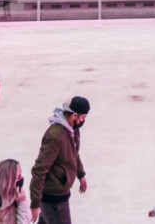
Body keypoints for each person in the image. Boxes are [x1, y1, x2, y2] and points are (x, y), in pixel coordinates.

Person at [30, 96, 90, 224]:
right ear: (74, 115)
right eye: (83, 118)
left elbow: (74, 153)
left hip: (59, 190)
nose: (84, 121)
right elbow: (39, 170)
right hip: (53, 198)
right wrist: (35, 203)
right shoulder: (55, 136)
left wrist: (81, 174)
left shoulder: (72, 129)